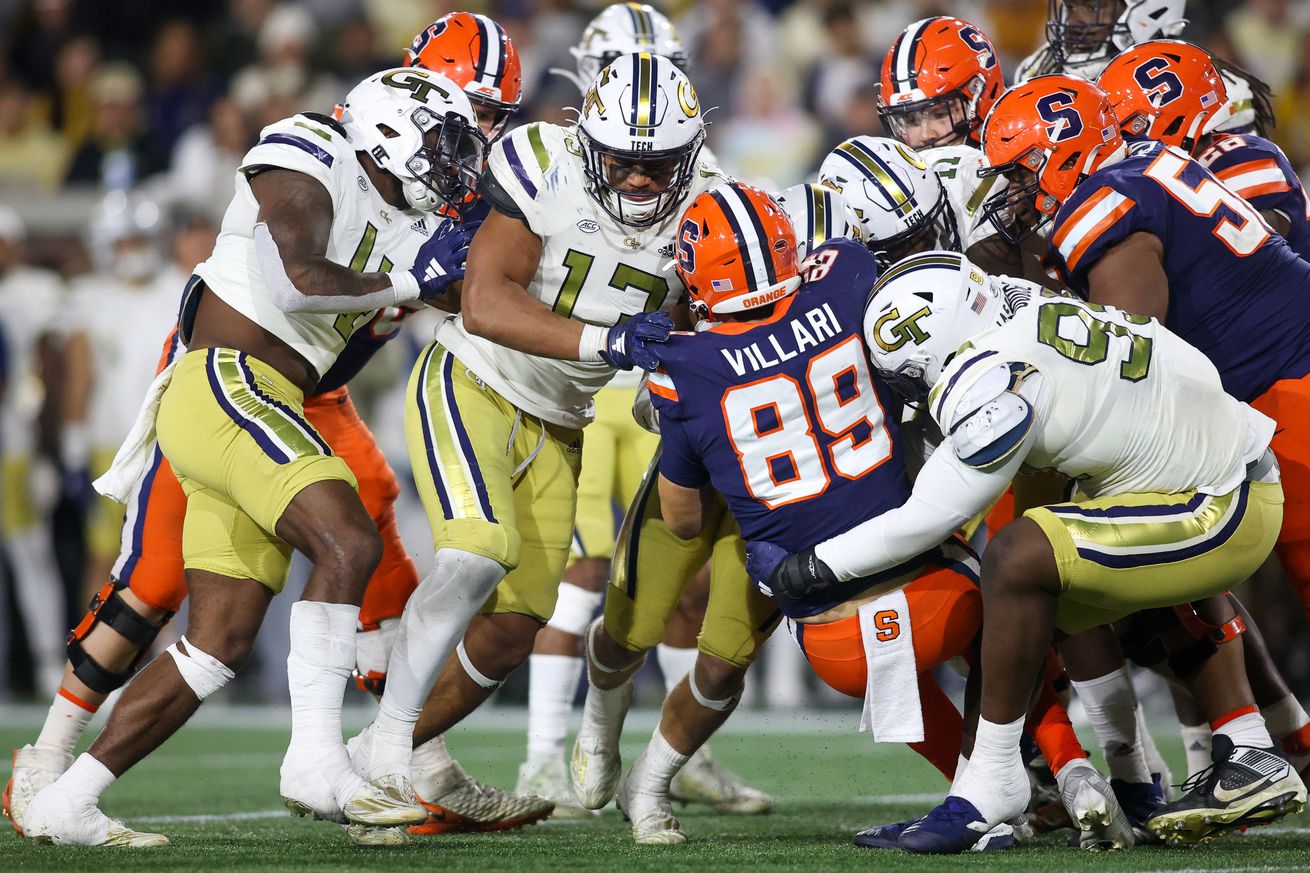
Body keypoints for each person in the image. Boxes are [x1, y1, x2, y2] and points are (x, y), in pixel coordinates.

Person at [20, 66, 485, 847]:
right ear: (390, 131)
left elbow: (476, 295)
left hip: (263, 398)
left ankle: (68, 800)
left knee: (217, 642)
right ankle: (314, 760)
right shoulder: (313, 150)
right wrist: (412, 278)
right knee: (349, 537)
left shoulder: (415, 223)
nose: (450, 162)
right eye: (440, 143)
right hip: (226, 379)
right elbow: (297, 278)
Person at [753, 250, 1307, 852]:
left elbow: (928, 518)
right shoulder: (1020, 302)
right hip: (1214, 474)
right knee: (1024, 609)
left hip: (1220, 504)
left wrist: (810, 568)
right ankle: (989, 796)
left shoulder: (990, 376)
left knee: (1016, 557)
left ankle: (998, 790)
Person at [345, 52, 720, 842]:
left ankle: (382, 759)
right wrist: (610, 338)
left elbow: (701, 323)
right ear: (589, 142)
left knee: (519, 623)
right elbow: (484, 303)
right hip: (474, 379)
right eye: (624, 162)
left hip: (563, 417)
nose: (644, 182)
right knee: (477, 550)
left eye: (659, 164)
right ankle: (376, 763)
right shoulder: (541, 162)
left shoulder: (712, 201)